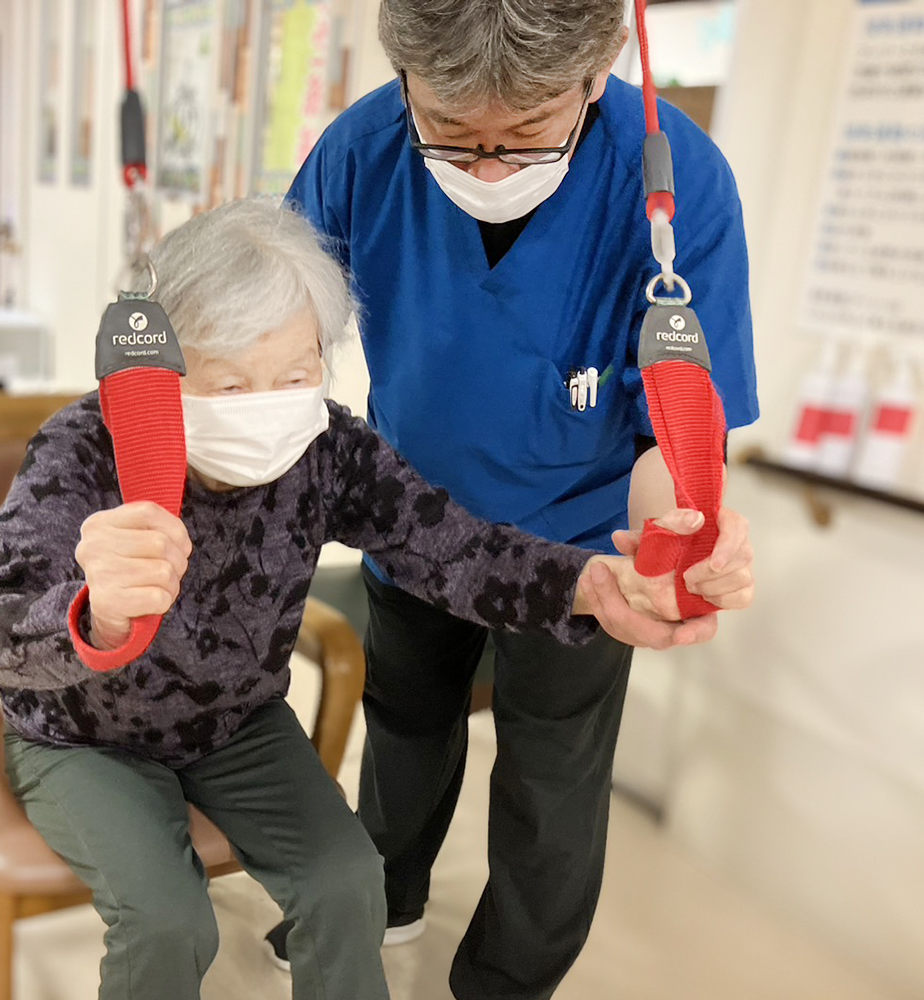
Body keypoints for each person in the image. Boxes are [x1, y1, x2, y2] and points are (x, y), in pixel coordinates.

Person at [0, 198, 715, 1000]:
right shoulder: (84, 449)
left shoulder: (326, 447)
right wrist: (92, 612)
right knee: (169, 920)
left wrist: (591, 583)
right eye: (232, 382)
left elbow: (450, 547)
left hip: (235, 726)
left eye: (295, 373)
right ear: (164, 375)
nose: (270, 404)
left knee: (351, 879)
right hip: (82, 735)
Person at [272, 1, 759, 996]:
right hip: (413, 523)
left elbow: (675, 422)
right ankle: (384, 892)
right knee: (402, 724)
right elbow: (271, 334)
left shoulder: (676, 178)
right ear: (405, 81)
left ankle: (508, 975)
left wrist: (677, 526)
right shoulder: (361, 153)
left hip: (583, 557)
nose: (486, 167)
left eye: (524, 136)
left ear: (594, 76)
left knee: (551, 776)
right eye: (452, 134)